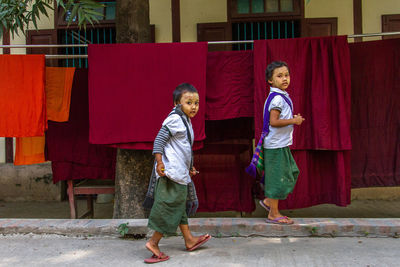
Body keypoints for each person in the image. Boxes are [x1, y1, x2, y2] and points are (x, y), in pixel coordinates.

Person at [144, 83, 211, 264]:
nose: (194, 106)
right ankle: (153, 242)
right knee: (170, 208)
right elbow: (158, 141)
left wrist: (189, 167)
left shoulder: (185, 121)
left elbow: (183, 148)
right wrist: (159, 162)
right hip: (170, 173)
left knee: (178, 205)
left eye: (196, 103)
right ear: (176, 103)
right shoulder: (174, 119)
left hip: (179, 172)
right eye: (189, 102)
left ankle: (189, 239)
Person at [257, 61, 305, 225]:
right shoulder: (277, 98)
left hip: (281, 144)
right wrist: (294, 120)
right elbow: (274, 122)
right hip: (275, 146)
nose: (284, 78)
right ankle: (273, 213)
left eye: (286, 75)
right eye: (279, 76)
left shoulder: (281, 96)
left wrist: (292, 119)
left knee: (291, 171)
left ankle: (270, 201)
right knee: (277, 178)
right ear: (270, 80)